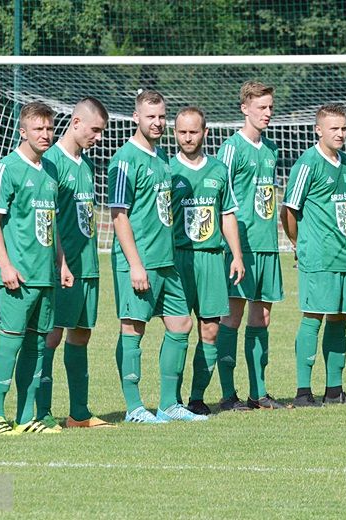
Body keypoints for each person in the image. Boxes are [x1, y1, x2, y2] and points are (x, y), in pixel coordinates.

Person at [108, 90, 204, 423]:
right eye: (151, 117)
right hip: (139, 261)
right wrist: (135, 264)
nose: (158, 122)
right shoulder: (124, 159)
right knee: (133, 329)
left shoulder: (163, 157)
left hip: (167, 261)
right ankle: (135, 407)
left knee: (181, 324)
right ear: (136, 118)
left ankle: (168, 404)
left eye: (162, 116)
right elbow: (118, 214)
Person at [0, 101, 73, 435]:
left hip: (45, 277)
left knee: (37, 347)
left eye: (49, 128)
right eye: (38, 129)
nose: (45, 134)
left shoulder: (50, 171)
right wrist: (5, 265)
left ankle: (24, 418)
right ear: (23, 131)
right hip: (16, 278)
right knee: (10, 345)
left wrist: (61, 263)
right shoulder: (7, 168)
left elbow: (52, 224)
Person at [35, 97, 113, 429]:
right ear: (77, 123)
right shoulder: (51, 162)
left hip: (88, 265)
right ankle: (41, 413)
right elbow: (47, 219)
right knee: (51, 336)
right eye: (95, 130)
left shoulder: (87, 163)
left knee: (81, 335)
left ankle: (78, 413)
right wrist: (61, 262)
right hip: (62, 267)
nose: (98, 137)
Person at [169, 106, 245, 416]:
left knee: (210, 330)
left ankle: (196, 398)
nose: (188, 138)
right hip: (176, 259)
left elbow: (227, 214)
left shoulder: (218, 169)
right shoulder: (167, 169)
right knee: (177, 330)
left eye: (193, 132)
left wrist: (236, 254)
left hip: (212, 259)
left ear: (205, 133)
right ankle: (170, 399)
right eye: (182, 132)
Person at [216, 81, 286, 411]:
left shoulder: (271, 150)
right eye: (261, 107)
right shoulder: (231, 149)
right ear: (245, 109)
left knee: (262, 319)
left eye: (270, 107)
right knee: (232, 318)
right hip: (239, 248)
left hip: (267, 247)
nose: (268, 113)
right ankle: (228, 394)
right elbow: (220, 199)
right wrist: (231, 249)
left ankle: (258, 393)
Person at [281, 103, 346, 407]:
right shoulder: (307, 164)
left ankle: (334, 390)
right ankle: (303, 392)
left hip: (345, 255)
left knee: (340, 320)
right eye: (333, 128)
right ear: (318, 129)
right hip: (318, 255)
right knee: (313, 317)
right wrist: (299, 243)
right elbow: (289, 210)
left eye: (343, 128)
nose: (339, 134)